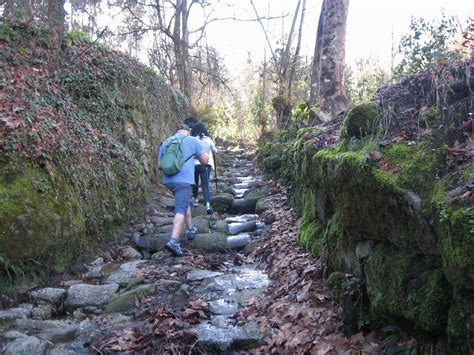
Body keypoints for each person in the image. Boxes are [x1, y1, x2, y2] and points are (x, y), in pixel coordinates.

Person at [157, 123, 209, 256]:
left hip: (169, 181)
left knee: (184, 202)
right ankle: (173, 241)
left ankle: (190, 229)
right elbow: (204, 160)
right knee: (180, 210)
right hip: (184, 181)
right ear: (189, 132)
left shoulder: (167, 142)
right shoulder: (192, 140)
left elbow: (159, 165)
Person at [190, 122, 217, 215]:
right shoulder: (208, 139)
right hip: (205, 165)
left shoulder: (192, 139)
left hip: (194, 165)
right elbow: (214, 150)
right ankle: (208, 204)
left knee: (195, 183)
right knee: (205, 185)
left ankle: (195, 199)